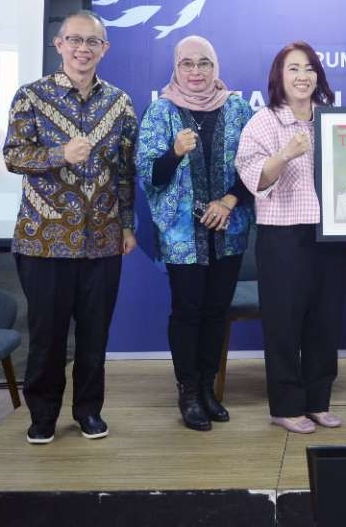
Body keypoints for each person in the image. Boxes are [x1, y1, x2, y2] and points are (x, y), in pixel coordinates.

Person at [3, 10, 138, 445]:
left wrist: (127, 225)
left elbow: (125, 172)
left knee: (95, 338)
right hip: (43, 241)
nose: (83, 49)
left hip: (102, 240)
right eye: (75, 41)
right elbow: (13, 156)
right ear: (59, 44)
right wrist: (60, 153)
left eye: (92, 42)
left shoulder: (119, 102)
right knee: (46, 337)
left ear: (105, 49)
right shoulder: (31, 97)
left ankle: (88, 412)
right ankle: (42, 416)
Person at [136, 35, 254, 431]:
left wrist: (229, 202)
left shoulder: (237, 109)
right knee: (188, 312)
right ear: (176, 67)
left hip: (229, 229)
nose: (197, 72)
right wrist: (174, 153)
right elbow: (150, 176)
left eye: (204, 63)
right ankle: (188, 391)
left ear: (215, 66)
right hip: (183, 235)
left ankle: (208, 388)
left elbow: (252, 171)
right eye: (188, 64)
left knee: (217, 311)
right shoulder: (161, 111)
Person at [236, 42, 346, 434]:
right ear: (279, 78)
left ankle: (318, 401)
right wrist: (285, 154)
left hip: (332, 234)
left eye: (309, 68)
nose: (302, 76)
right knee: (284, 323)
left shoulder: (333, 120)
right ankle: (285, 405)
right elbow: (255, 180)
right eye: (293, 69)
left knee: (325, 321)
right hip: (283, 235)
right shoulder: (264, 122)